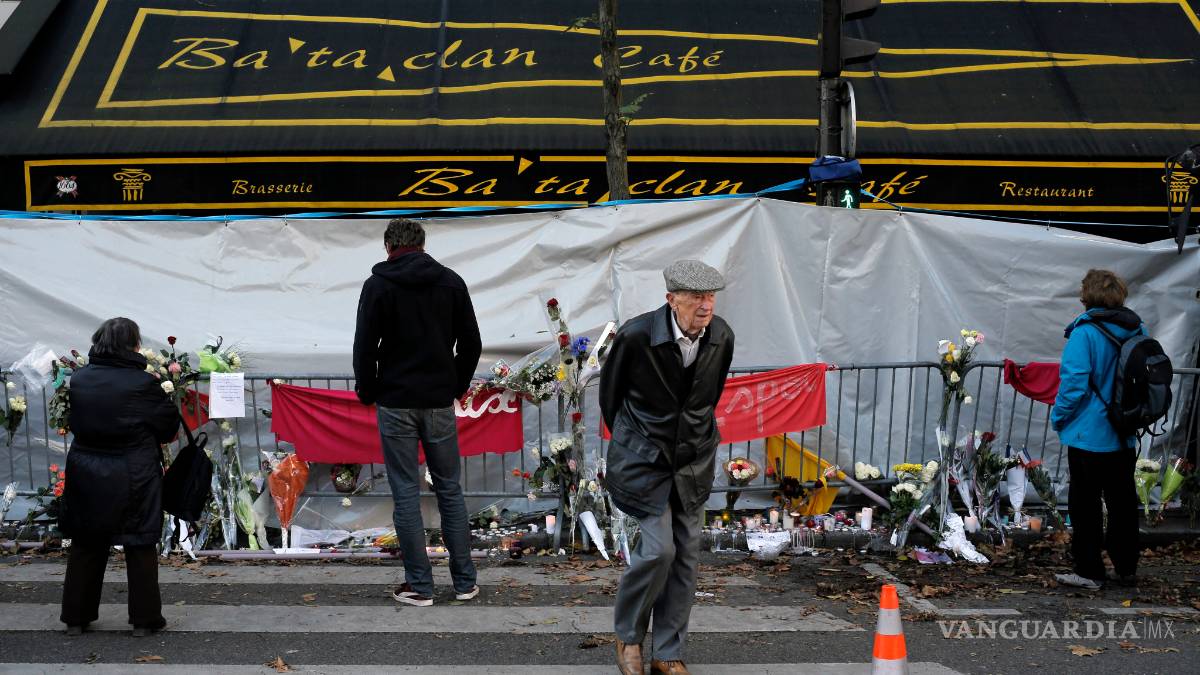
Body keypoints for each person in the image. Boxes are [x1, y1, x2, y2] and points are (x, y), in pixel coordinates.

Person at [601, 260, 736, 675]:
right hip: (645, 460)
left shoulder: (721, 336)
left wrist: (693, 436)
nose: (705, 305)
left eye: (710, 296)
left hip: (692, 460)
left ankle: (668, 651)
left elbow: (706, 396)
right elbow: (611, 397)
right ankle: (628, 638)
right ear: (671, 298)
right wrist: (638, 438)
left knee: (685, 558)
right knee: (659, 550)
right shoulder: (637, 336)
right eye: (695, 297)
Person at [353, 218, 482, 607]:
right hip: (438, 400)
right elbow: (471, 343)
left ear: (388, 246)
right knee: (449, 489)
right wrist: (455, 385)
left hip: (395, 401)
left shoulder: (377, 285)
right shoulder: (451, 282)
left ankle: (420, 586)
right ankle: (464, 582)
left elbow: (364, 345)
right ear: (423, 244)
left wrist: (368, 389)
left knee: (406, 492)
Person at [59, 317, 178, 636]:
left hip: (86, 469)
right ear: (133, 345)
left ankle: (75, 617)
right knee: (139, 543)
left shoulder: (80, 379)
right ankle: (144, 619)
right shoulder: (142, 384)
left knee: (86, 542)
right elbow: (167, 428)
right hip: (133, 472)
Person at [1050, 269, 1144, 590]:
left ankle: (1089, 570)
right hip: (1124, 431)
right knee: (1123, 502)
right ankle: (1126, 567)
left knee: (1085, 504)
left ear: (1086, 295)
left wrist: (1059, 417)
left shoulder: (1084, 332)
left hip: (1089, 434)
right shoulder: (1136, 328)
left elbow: (1074, 383)